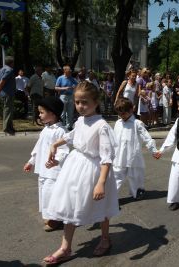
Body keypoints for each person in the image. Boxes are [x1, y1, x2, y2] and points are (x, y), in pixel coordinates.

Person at [43, 81, 119, 264]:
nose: (80, 106)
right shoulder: (80, 120)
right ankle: (65, 247)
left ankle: (105, 238)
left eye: (85, 102)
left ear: (96, 102)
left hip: (95, 171)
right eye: (77, 102)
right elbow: (71, 135)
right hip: (75, 168)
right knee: (70, 205)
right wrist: (55, 144)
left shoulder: (101, 126)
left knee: (101, 207)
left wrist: (101, 182)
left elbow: (106, 157)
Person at [23, 96, 69, 231]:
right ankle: (49, 216)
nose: (39, 115)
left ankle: (55, 219)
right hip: (43, 169)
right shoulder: (46, 129)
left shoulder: (61, 131)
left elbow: (64, 150)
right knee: (43, 192)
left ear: (53, 113)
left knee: (51, 193)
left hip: (54, 171)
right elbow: (39, 147)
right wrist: (31, 161)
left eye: (42, 112)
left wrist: (57, 161)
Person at [112, 97, 157, 199]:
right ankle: (111, 198)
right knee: (117, 176)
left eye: (123, 113)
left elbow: (147, 137)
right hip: (119, 156)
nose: (121, 116)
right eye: (119, 113)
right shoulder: (118, 123)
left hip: (133, 155)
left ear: (131, 110)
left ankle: (137, 192)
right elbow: (114, 139)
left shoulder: (137, 123)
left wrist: (153, 150)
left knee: (135, 175)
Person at [0, 56, 16, 135]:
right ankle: (6, 128)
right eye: (13, 62)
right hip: (8, 93)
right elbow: (3, 79)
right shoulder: (9, 70)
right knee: (8, 110)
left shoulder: (1, 70)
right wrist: (0, 88)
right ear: (11, 63)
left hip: (4, 93)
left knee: (7, 110)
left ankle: (10, 127)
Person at [55, 65, 78, 130]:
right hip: (63, 96)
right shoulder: (60, 78)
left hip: (71, 96)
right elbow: (56, 87)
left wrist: (75, 87)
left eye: (70, 71)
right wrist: (64, 88)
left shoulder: (72, 78)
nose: (70, 72)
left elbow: (78, 85)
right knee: (63, 112)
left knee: (70, 112)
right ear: (65, 71)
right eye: (69, 71)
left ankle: (69, 126)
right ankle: (62, 126)